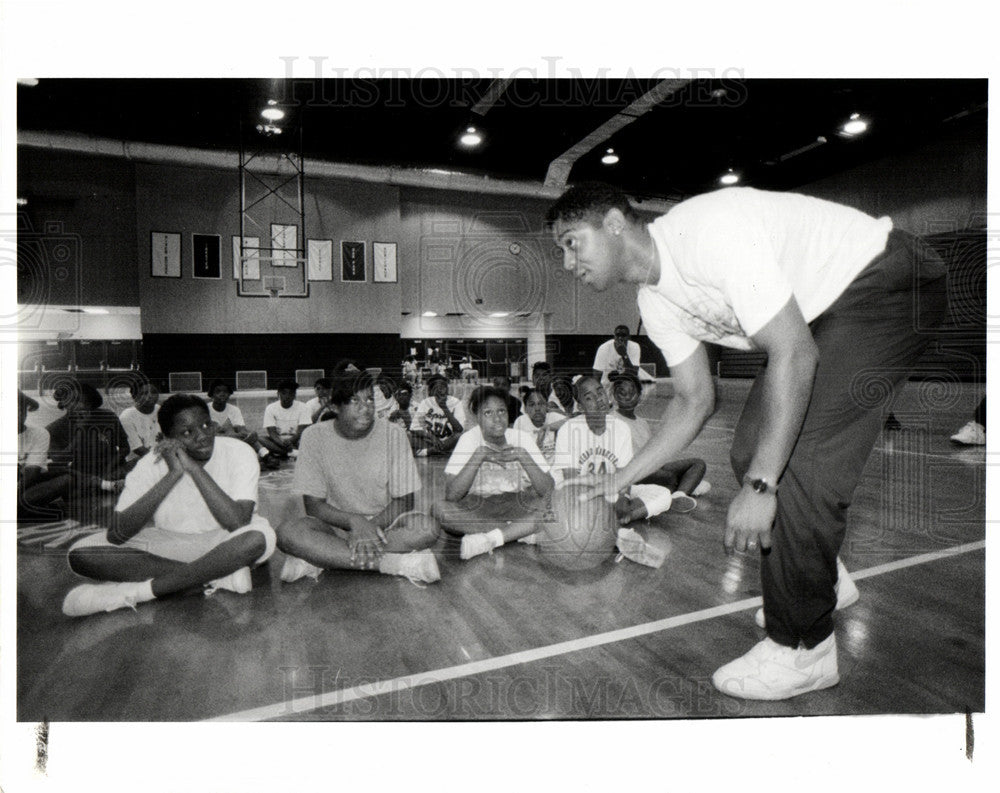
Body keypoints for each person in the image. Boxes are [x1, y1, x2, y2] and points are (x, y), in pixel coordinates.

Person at [547, 181, 948, 700]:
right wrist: (618, 480)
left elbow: (796, 356)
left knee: (790, 467)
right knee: (750, 450)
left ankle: (804, 649)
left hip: (889, 281)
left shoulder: (706, 233)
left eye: (571, 241)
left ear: (615, 224)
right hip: (827, 308)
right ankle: (818, 581)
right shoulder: (655, 299)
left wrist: (761, 487)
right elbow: (693, 400)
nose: (566, 262)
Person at [61, 394, 277, 617]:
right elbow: (117, 534)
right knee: (80, 553)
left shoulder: (238, 451)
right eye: (187, 432)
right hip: (172, 542)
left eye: (206, 425)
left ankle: (137, 592)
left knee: (255, 539)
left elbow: (238, 522)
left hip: (227, 542)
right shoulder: (149, 464)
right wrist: (173, 474)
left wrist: (194, 469)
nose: (202, 436)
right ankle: (213, 576)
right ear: (165, 438)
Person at [276, 372, 441, 585]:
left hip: (386, 525)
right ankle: (395, 564)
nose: (366, 407)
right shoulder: (313, 436)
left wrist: (370, 528)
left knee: (428, 528)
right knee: (286, 533)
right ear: (334, 407)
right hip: (333, 527)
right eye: (355, 401)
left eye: (370, 399)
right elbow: (314, 507)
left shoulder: (395, 434)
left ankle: (322, 558)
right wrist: (355, 522)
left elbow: (405, 500)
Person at [432, 386, 554, 560]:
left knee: (555, 505)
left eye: (501, 411)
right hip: (479, 507)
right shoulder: (469, 439)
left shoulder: (522, 438)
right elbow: (451, 495)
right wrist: (479, 456)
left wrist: (523, 456)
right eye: (488, 413)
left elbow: (549, 489)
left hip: (517, 503)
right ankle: (521, 531)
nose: (497, 419)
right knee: (439, 510)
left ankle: (492, 538)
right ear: (477, 417)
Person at [28, 381, 128, 522]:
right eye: (73, 401)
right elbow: (60, 462)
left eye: (85, 401)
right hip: (82, 476)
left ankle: (107, 486)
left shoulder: (107, 416)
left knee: (142, 465)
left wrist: (109, 469)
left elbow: (124, 448)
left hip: (112, 470)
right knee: (67, 484)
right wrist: (81, 429)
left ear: (91, 403)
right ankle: (105, 487)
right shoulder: (53, 430)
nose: (81, 406)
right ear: (64, 404)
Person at [610, 370, 709, 511]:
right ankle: (682, 486)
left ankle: (678, 496)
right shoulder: (612, 420)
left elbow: (651, 451)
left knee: (698, 464)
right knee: (668, 477)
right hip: (632, 472)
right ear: (615, 395)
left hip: (651, 467)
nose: (627, 397)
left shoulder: (642, 422)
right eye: (622, 392)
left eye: (632, 392)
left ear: (639, 396)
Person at [206, 379, 273, 469]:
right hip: (213, 444)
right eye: (218, 391)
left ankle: (265, 455)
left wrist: (247, 434)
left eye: (225, 391)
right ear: (211, 394)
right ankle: (264, 455)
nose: (222, 394)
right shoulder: (205, 409)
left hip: (231, 442)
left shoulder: (234, 410)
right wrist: (233, 435)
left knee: (252, 435)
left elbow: (242, 431)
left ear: (229, 394)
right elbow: (209, 435)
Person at [17, 390, 54, 522]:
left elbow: (32, 473)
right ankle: (25, 509)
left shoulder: (39, 433)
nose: (17, 415)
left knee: (67, 478)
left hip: (23, 485)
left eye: (20, 409)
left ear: (26, 410)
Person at [410, 373, 466, 455]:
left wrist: (444, 407)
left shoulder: (456, 402)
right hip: (430, 440)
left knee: (459, 436)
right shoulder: (425, 403)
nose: (439, 390)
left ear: (447, 389)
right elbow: (415, 428)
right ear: (430, 390)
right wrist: (432, 438)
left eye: (442, 387)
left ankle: (428, 451)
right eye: (435, 387)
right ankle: (441, 450)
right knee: (407, 436)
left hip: (449, 440)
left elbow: (459, 429)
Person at [259, 380, 312, 462]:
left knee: (311, 441)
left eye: (291, 393)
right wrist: (283, 444)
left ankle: (279, 452)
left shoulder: (303, 407)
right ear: (278, 394)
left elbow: (300, 432)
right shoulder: (270, 408)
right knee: (259, 438)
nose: (287, 396)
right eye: (284, 393)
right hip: (277, 441)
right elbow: (272, 433)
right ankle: (291, 452)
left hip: (297, 441)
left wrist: (290, 442)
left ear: (295, 395)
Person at [512, 387, 567, 464]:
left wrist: (546, 428)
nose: (537, 408)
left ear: (547, 406)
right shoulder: (521, 422)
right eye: (532, 405)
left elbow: (574, 422)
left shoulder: (554, 417)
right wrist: (538, 442)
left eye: (541, 404)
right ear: (525, 409)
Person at [118, 381, 161, 464]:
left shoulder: (161, 410)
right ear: (135, 397)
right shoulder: (127, 416)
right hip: (137, 461)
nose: (150, 396)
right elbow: (138, 450)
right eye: (144, 393)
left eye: (153, 392)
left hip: (161, 457)